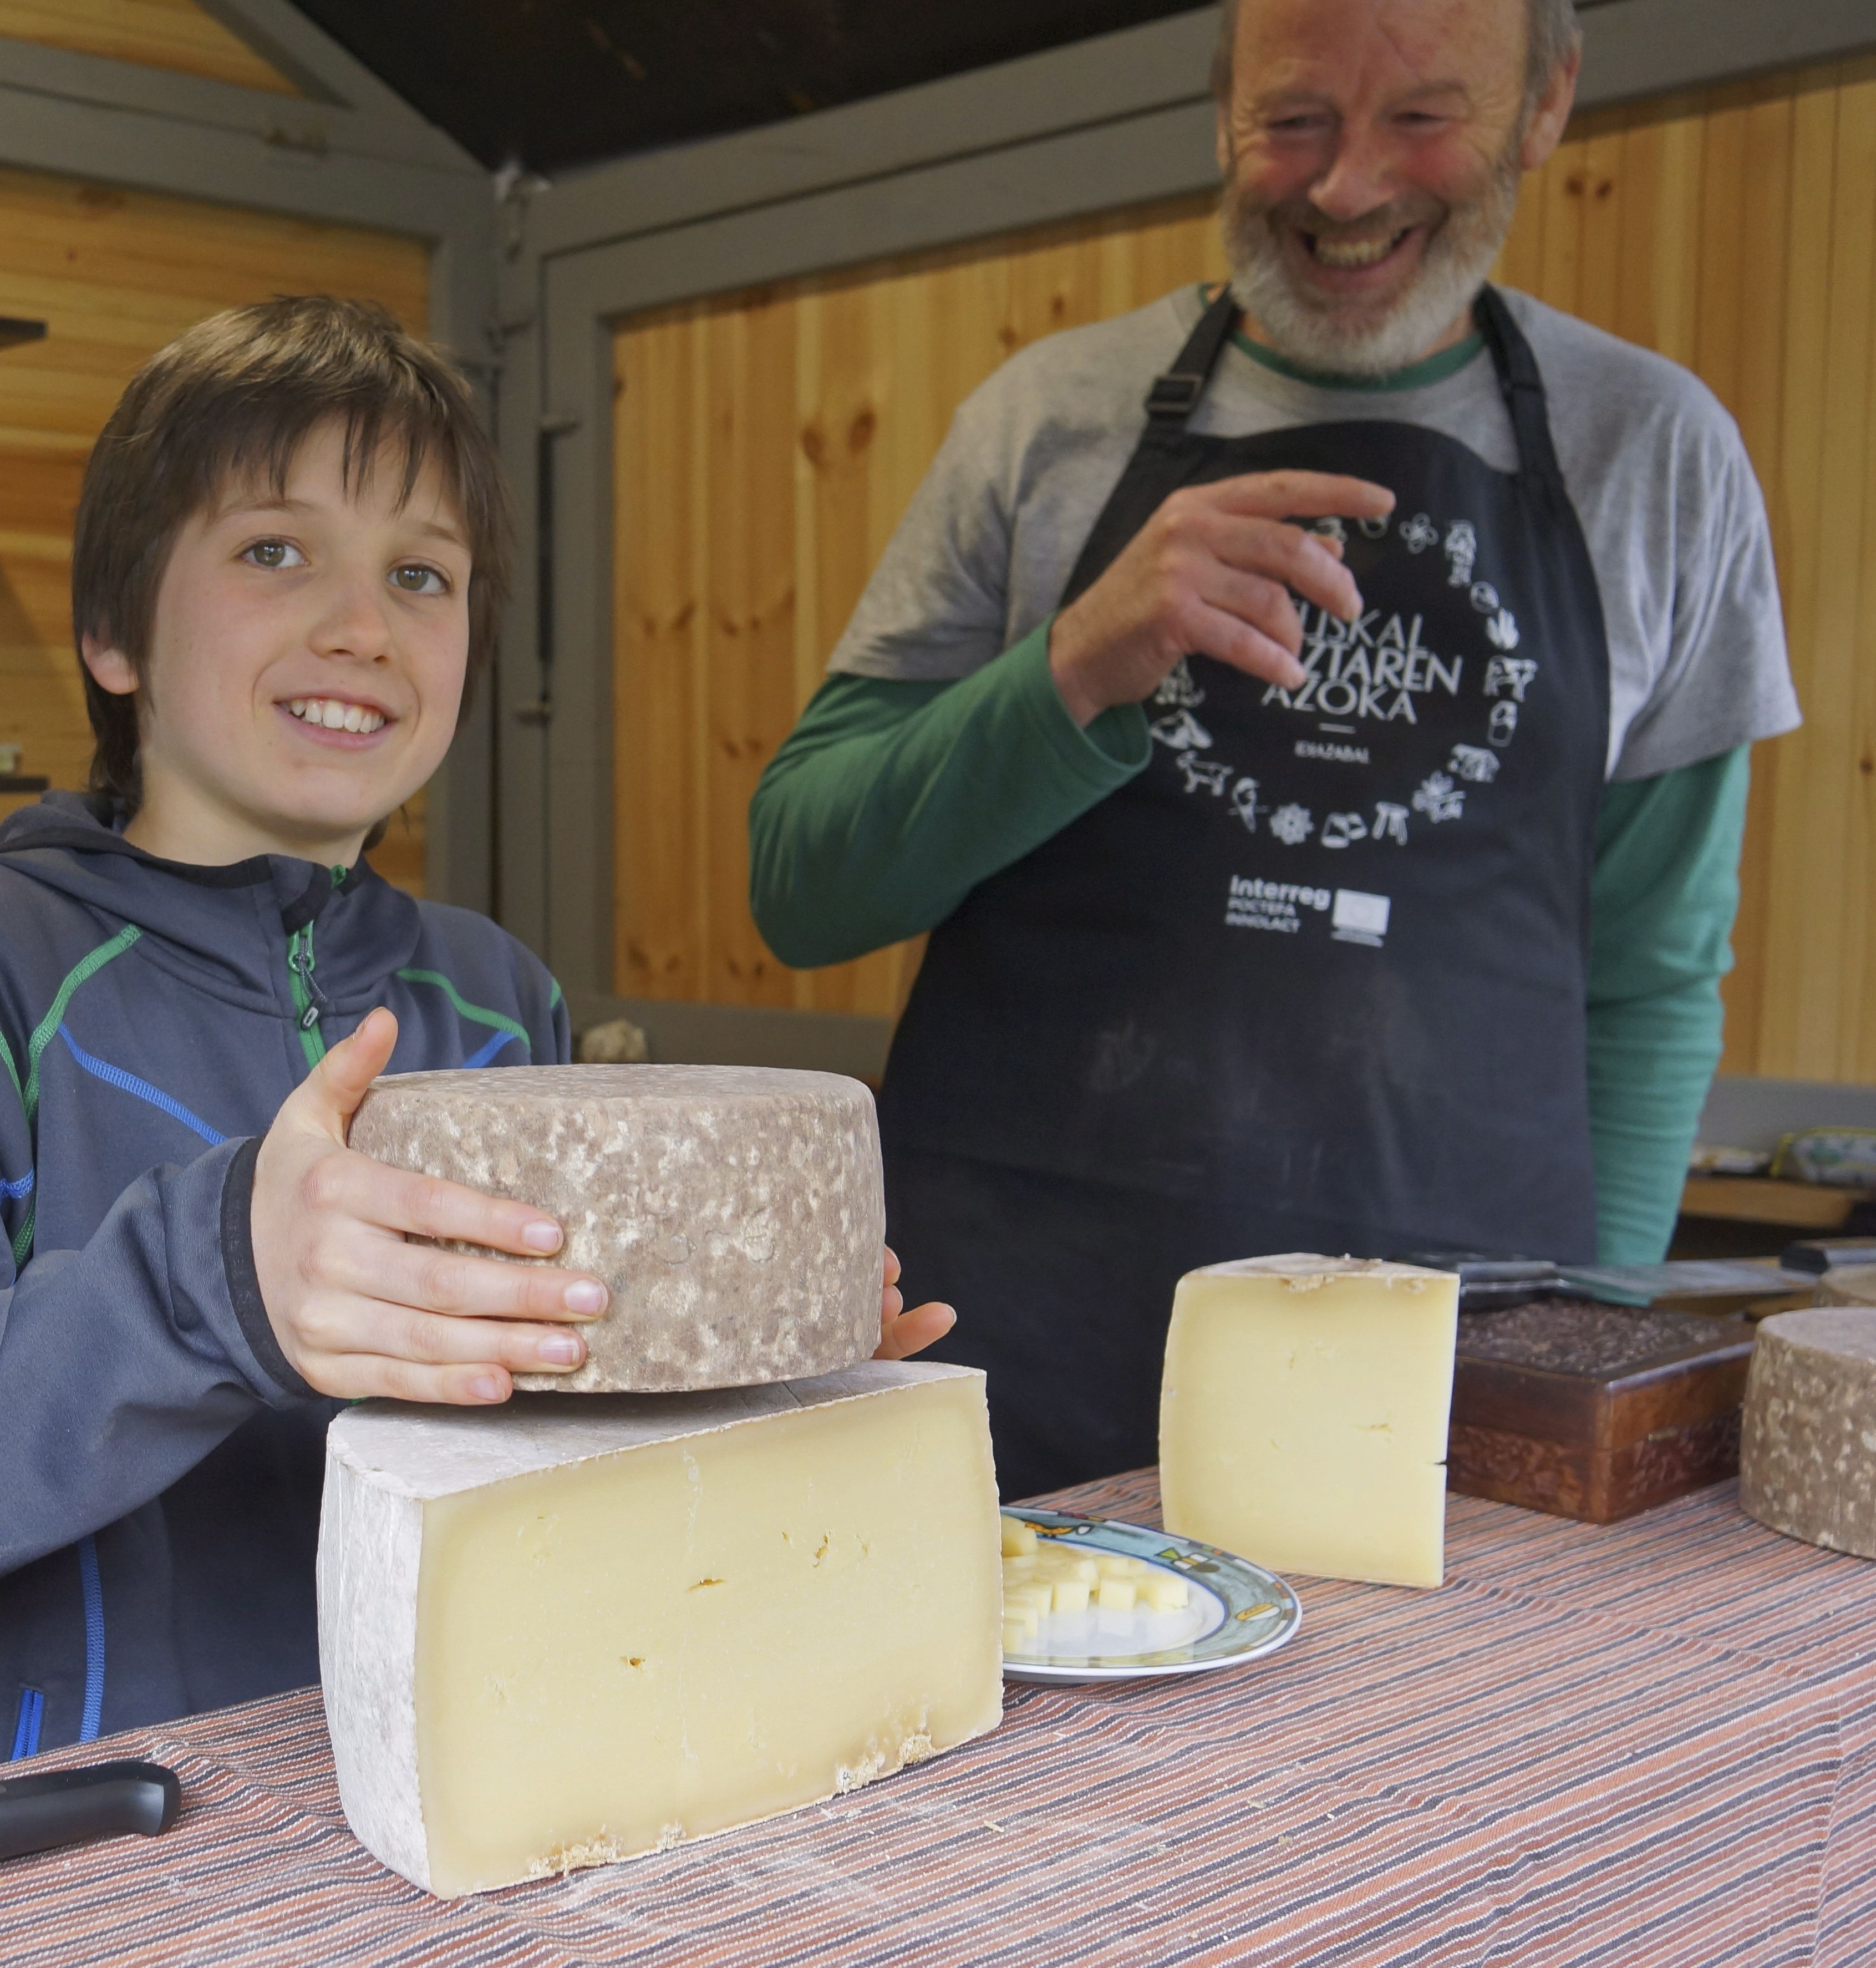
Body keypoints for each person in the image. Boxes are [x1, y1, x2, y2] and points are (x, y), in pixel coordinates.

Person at [0, 297, 949, 1778]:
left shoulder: (498, 1000)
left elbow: (583, 1486)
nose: (362, 624)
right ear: (113, 631)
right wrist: (211, 1281)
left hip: (499, 1814)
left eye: (423, 573)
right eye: (275, 550)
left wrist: (739, 1360)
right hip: (119, 1869)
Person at [748, 0, 1798, 1501]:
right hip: (1006, 1377)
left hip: (1446, 1403)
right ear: (1218, 105)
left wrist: (1593, 1360)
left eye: (1422, 118)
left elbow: (1651, 976)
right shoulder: (1047, 423)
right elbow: (801, 880)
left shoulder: (1655, 458)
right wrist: (1076, 668)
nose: (1347, 189)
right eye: (1293, 120)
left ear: (1546, 102)